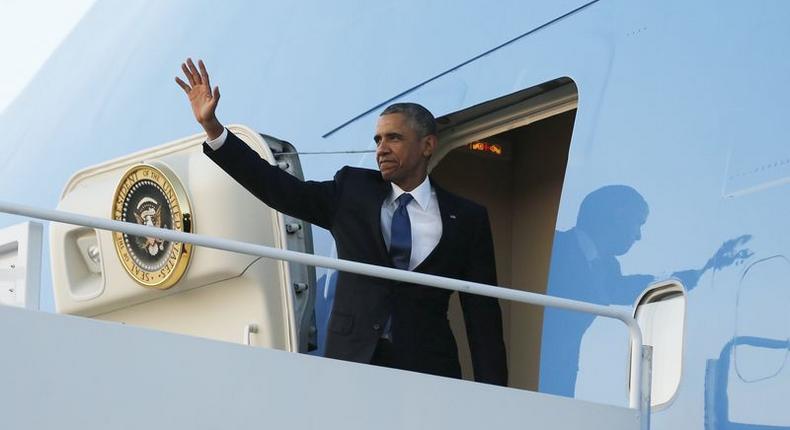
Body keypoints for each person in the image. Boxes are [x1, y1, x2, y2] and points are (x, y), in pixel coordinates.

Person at [175, 58, 508, 385]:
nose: (381, 149)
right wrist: (215, 131)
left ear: (427, 145)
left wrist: (498, 399)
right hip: (351, 365)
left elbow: (483, 316)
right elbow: (279, 189)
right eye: (378, 140)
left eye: (394, 138)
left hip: (428, 370)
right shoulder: (353, 191)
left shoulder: (467, 217)